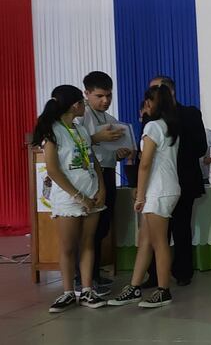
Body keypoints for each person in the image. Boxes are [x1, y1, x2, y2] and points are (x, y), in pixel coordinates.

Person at [32, 85, 107, 312]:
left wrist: (101, 188)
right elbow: (54, 170)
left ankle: (86, 290)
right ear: (75, 105)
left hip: (92, 195)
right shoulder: (53, 131)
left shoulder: (80, 129)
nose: (84, 106)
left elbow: (92, 161)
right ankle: (67, 292)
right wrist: (79, 197)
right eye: (82, 103)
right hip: (69, 198)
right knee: (68, 247)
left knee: (88, 243)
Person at [108, 84, 181, 308]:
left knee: (159, 243)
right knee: (146, 241)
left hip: (157, 191)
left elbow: (145, 164)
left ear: (151, 103)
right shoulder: (169, 126)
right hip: (163, 188)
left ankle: (163, 290)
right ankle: (134, 286)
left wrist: (139, 195)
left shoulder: (152, 126)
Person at [142, 76, 207, 288]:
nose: (152, 97)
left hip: (184, 179)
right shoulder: (150, 119)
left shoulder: (189, 113)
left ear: (170, 92)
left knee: (181, 228)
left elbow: (200, 147)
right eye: (151, 92)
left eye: (158, 91)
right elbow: (144, 155)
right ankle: (154, 276)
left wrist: (171, 156)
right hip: (156, 184)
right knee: (155, 233)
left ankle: (182, 272)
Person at [74, 71, 131, 296]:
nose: (105, 100)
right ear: (86, 94)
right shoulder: (80, 117)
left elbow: (110, 150)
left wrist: (120, 152)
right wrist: (97, 138)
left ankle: (94, 275)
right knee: (90, 229)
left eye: (108, 95)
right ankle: (82, 279)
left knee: (102, 227)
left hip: (107, 173)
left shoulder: (109, 119)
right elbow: (74, 145)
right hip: (89, 177)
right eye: (99, 96)